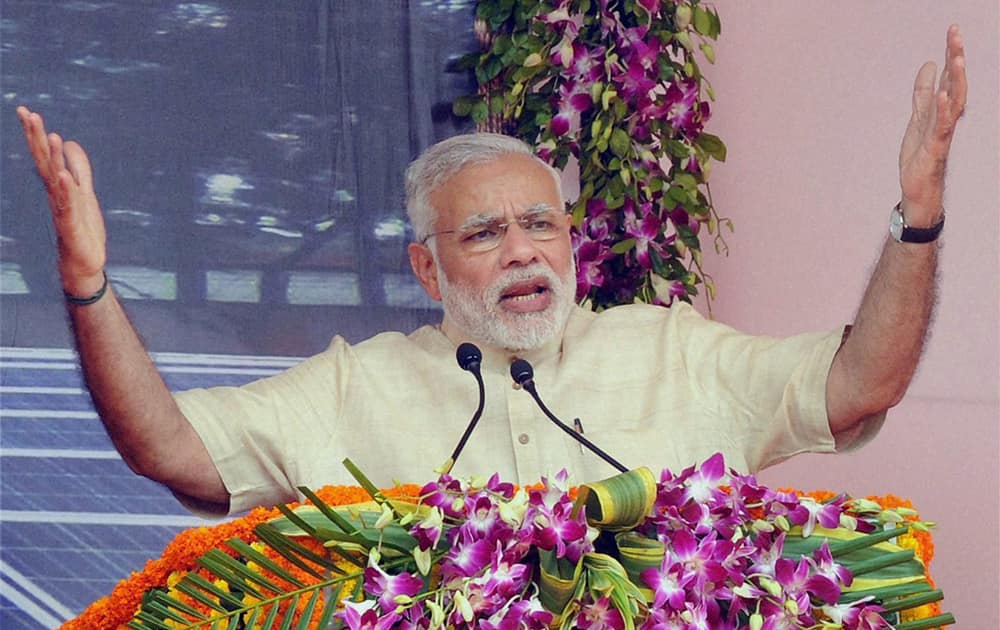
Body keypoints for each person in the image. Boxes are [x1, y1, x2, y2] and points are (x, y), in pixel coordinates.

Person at [16, 26, 966, 516]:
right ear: (426, 271)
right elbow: (169, 448)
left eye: (540, 224)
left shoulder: (675, 352)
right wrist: (91, 286)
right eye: (484, 235)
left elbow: (858, 382)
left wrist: (914, 220)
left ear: (570, 243)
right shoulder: (356, 388)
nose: (522, 249)